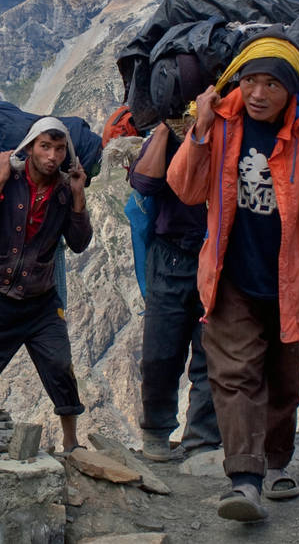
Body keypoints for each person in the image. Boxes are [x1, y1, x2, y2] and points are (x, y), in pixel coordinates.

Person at [167, 32, 299, 523]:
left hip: (294, 277)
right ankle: (245, 481)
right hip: (232, 274)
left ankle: (276, 463)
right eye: (250, 81)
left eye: (271, 85)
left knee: (283, 377)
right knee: (234, 377)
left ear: (291, 88)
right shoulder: (223, 121)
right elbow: (186, 189)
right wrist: (200, 130)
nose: (257, 94)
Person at [0, 116, 92, 451]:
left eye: (59, 149)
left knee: (60, 365)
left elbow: (79, 243)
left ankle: (71, 443)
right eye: (45, 147)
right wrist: (1, 179)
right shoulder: (9, 178)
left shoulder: (66, 191)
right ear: (30, 147)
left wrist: (79, 196)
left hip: (41, 301)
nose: (52, 156)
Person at [129, 122, 220, 461]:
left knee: (212, 353)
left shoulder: (236, 132)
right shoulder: (166, 138)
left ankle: (202, 438)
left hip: (221, 259)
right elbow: (144, 182)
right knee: (159, 352)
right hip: (171, 255)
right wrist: (166, 130)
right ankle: (156, 431)